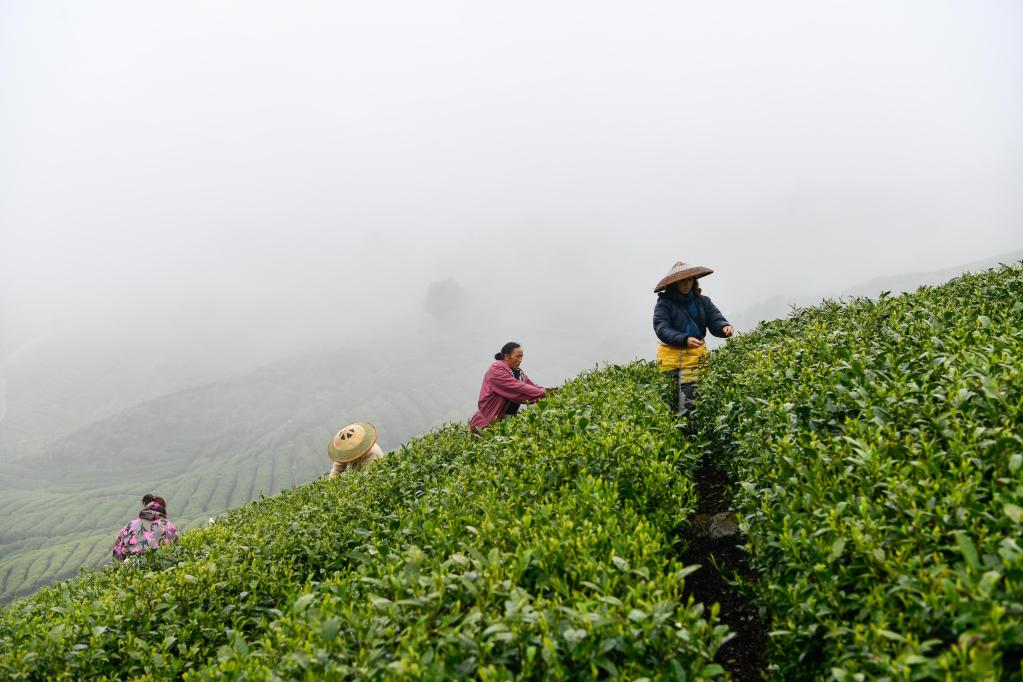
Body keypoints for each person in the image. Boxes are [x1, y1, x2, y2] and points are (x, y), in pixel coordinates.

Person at [653, 261, 734, 415]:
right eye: (682, 281)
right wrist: (684, 339)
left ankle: (692, 429)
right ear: (674, 284)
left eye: (689, 280)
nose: (686, 284)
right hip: (672, 359)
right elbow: (662, 328)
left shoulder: (703, 301)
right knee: (673, 399)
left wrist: (724, 327)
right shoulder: (664, 304)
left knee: (695, 396)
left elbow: (714, 318)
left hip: (696, 356)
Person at [470, 342, 554, 433]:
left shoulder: (518, 372)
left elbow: (533, 387)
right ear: (506, 356)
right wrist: (546, 392)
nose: (520, 360)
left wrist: (551, 391)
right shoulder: (496, 369)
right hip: (486, 424)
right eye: (517, 356)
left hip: (507, 421)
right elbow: (518, 388)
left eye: (522, 356)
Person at [111, 494, 179, 563]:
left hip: (131, 565)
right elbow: (176, 549)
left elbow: (117, 551)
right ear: (163, 509)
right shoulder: (167, 525)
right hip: (158, 564)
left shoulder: (130, 525)